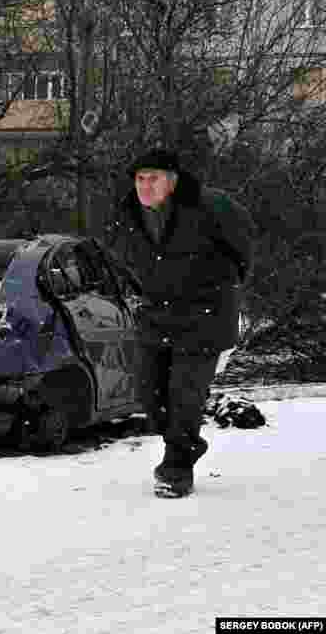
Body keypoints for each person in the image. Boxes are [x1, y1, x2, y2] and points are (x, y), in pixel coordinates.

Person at [105, 148, 254, 498]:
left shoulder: (210, 206)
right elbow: (125, 257)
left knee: (185, 397)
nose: (145, 186)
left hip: (204, 317)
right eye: (140, 179)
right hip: (157, 315)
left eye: (153, 178)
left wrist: (226, 285)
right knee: (149, 395)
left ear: (172, 181)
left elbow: (243, 244)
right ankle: (180, 441)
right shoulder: (130, 213)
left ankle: (176, 469)